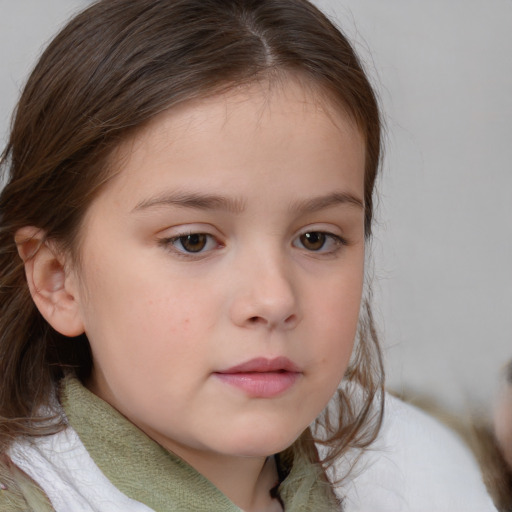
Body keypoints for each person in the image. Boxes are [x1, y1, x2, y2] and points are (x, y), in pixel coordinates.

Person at [0, 0, 497, 510]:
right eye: (192, 240)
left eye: (316, 239)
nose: (274, 298)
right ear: (57, 278)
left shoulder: (419, 468)